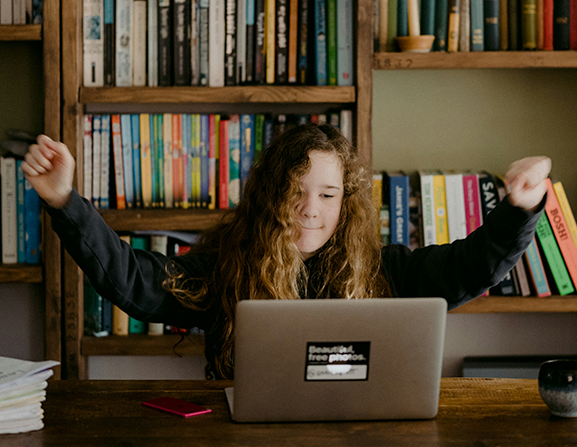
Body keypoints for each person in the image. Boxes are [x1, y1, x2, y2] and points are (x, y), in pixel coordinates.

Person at [23, 123, 551, 380]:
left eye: (327, 195)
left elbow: (466, 269)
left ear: (346, 203)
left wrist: (520, 209)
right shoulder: (227, 269)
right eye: (294, 191)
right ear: (270, 195)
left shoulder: (384, 270)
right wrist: (66, 202)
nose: (309, 209)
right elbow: (135, 282)